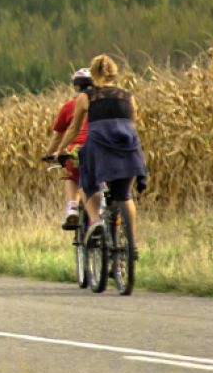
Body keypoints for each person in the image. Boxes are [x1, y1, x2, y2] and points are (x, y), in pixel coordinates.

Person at [45, 53, 148, 240]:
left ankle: (93, 219)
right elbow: (132, 125)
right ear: (114, 73)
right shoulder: (127, 97)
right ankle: (131, 245)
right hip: (128, 150)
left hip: (98, 149)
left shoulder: (85, 98)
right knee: (125, 196)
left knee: (85, 181)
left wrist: (60, 151)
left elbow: (73, 129)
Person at [47, 68, 92, 230]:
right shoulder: (101, 103)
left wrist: (50, 153)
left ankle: (72, 206)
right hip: (100, 148)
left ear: (76, 87)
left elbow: (58, 136)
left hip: (76, 149)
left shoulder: (69, 106)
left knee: (71, 176)